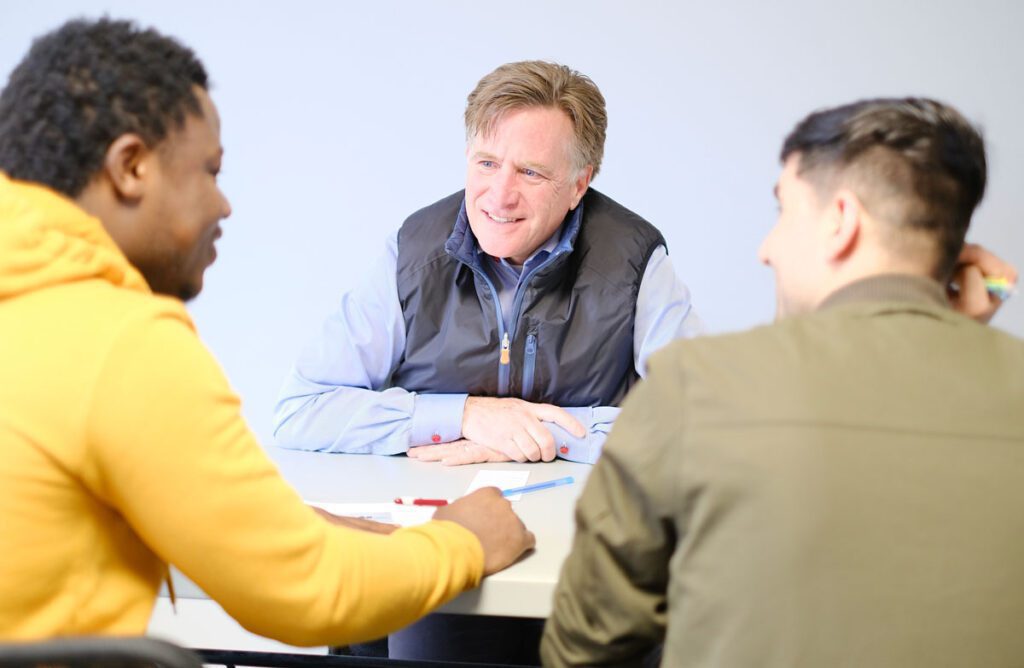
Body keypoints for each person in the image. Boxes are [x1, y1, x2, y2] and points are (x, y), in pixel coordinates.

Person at [0, 18, 534, 644]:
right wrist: (466, 539)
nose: (223, 206)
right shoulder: (119, 341)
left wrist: (271, 524)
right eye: (209, 172)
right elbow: (313, 596)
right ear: (131, 168)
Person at [541, 97, 1024, 667]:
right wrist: (954, 325)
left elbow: (585, 646)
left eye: (784, 212)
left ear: (840, 222)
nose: (765, 250)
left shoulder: (696, 387)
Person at [273, 60, 703, 468]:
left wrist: (541, 435)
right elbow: (301, 409)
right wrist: (464, 417)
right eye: (487, 164)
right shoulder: (413, 254)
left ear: (579, 184)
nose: (500, 195)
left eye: (530, 173)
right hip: (435, 509)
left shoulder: (633, 261)